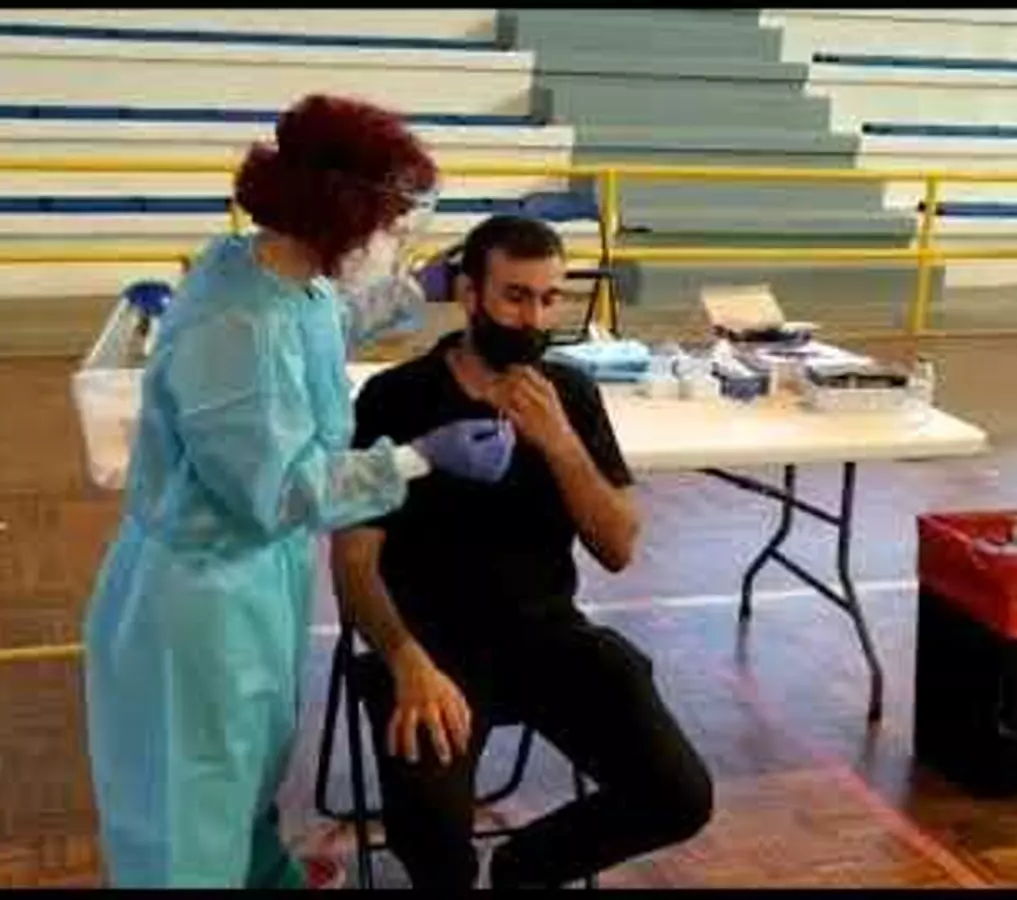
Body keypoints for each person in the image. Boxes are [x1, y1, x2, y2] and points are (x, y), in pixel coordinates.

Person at [82, 95, 521, 889]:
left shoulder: (270, 269)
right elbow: (282, 490)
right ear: (341, 214)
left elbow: (320, 322)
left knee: (244, 774)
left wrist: (410, 290)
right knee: (191, 801)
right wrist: (419, 458)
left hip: (255, 580)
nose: (394, 240)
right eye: (390, 224)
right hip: (201, 596)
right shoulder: (238, 329)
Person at [332, 215, 716, 889]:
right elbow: (352, 561)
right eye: (514, 296)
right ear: (469, 294)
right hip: (430, 650)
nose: (533, 318)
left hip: (546, 635)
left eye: (548, 298)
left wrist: (560, 442)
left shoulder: (571, 393)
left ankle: (522, 872)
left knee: (679, 795)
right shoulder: (398, 396)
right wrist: (405, 660)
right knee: (435, 849)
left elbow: (618, 546)